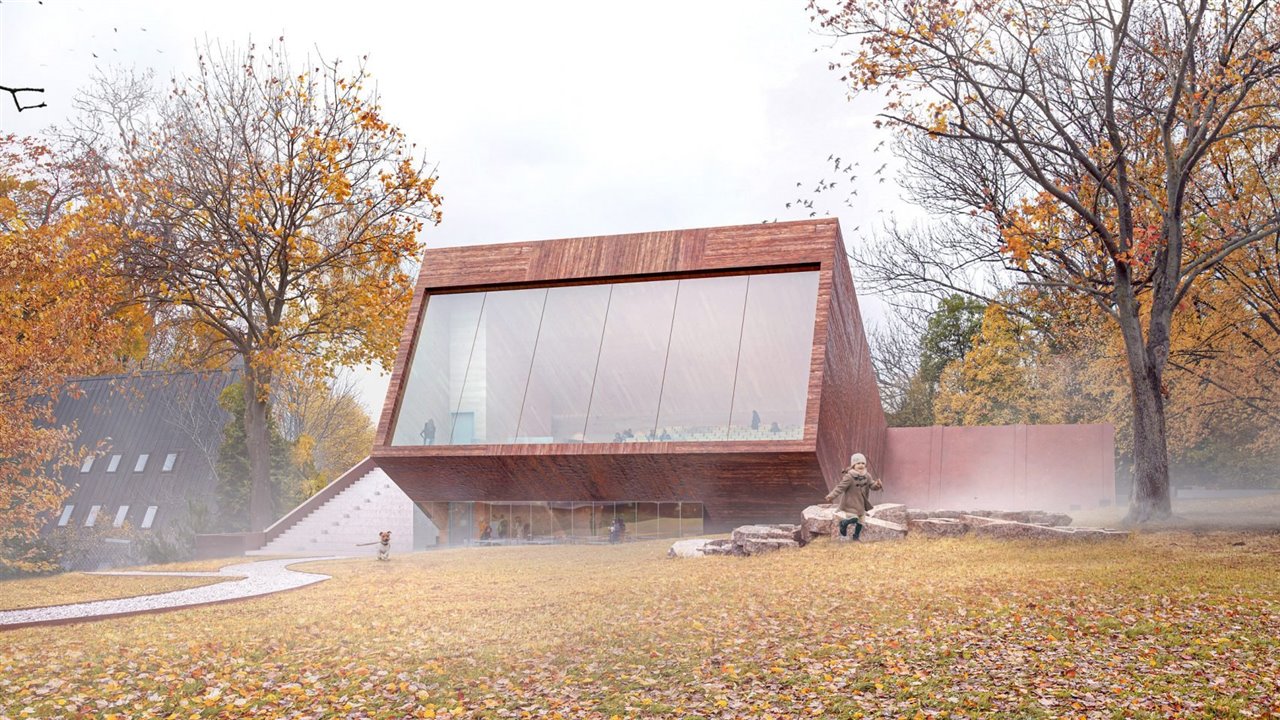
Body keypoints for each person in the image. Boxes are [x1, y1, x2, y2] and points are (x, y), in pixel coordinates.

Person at [824, 452, 883, 540]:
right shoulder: (849, 477)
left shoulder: (867, 476)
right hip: (850, 504)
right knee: (854, 518)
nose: (861, 465)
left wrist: (877, 485)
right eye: (858, 463)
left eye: (863, 463)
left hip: (861, 504)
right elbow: (840, 487)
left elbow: (872, 486)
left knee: (861, 521)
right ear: (853, 465)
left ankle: (856, 537)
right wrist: (831, 496)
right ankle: (843, 523)